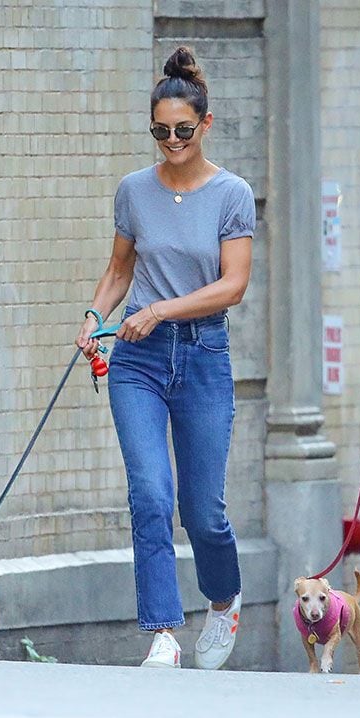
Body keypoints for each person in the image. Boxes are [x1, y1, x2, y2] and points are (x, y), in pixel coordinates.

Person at [76, 47, 255, 669]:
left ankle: (224, 597)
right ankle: (161, 632)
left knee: (203, 511)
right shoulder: (133, 191)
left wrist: (161, 310)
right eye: (160, 131)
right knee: (151, 494)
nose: (171, 140)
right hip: (137, 360)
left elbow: (233, 285)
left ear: (205, 124)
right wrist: (97, 316)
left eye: (182, 129)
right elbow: (119, 270)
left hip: (203, 354)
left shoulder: (232, 193)